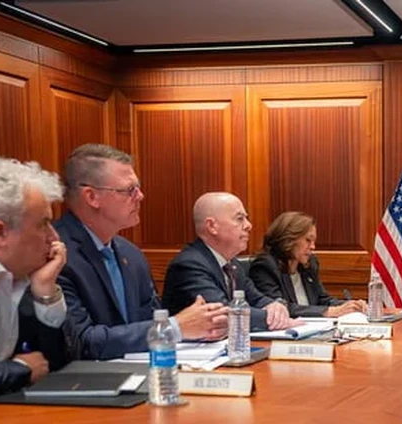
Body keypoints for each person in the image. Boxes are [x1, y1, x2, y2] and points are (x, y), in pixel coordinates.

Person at [55, 144, 227, 360]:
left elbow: (151, 322)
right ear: (92, 197)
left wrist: (198, 328)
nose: (141, 196)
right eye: (129, 190)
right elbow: (82, 342)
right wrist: (175, 327)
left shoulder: (131, 254)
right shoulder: (56, 254)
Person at [0, 154, 74, 396]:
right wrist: (19, 370)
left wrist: (45, 292)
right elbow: (30, 368)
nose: (54, 237)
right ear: (0, 232)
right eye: (43, 224)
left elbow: (55, 364)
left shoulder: (19, 277)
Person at [163, 192, 300, 331]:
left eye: (246, 218)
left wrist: (275, 305)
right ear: (212, 226)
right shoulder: (189, 265)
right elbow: (221, 314)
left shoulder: (232, 264)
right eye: (240, 219)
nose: (249, 225)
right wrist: (273, 318)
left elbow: (257, 299)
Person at [249, 211, 368, 318]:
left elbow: (323, 299)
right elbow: (280, 308)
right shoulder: (265, 267)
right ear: (289, 239)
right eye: (308, 240)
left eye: (314, 241)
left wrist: (350, 306)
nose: (313, 247)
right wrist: (329, 312)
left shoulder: (309, 264)